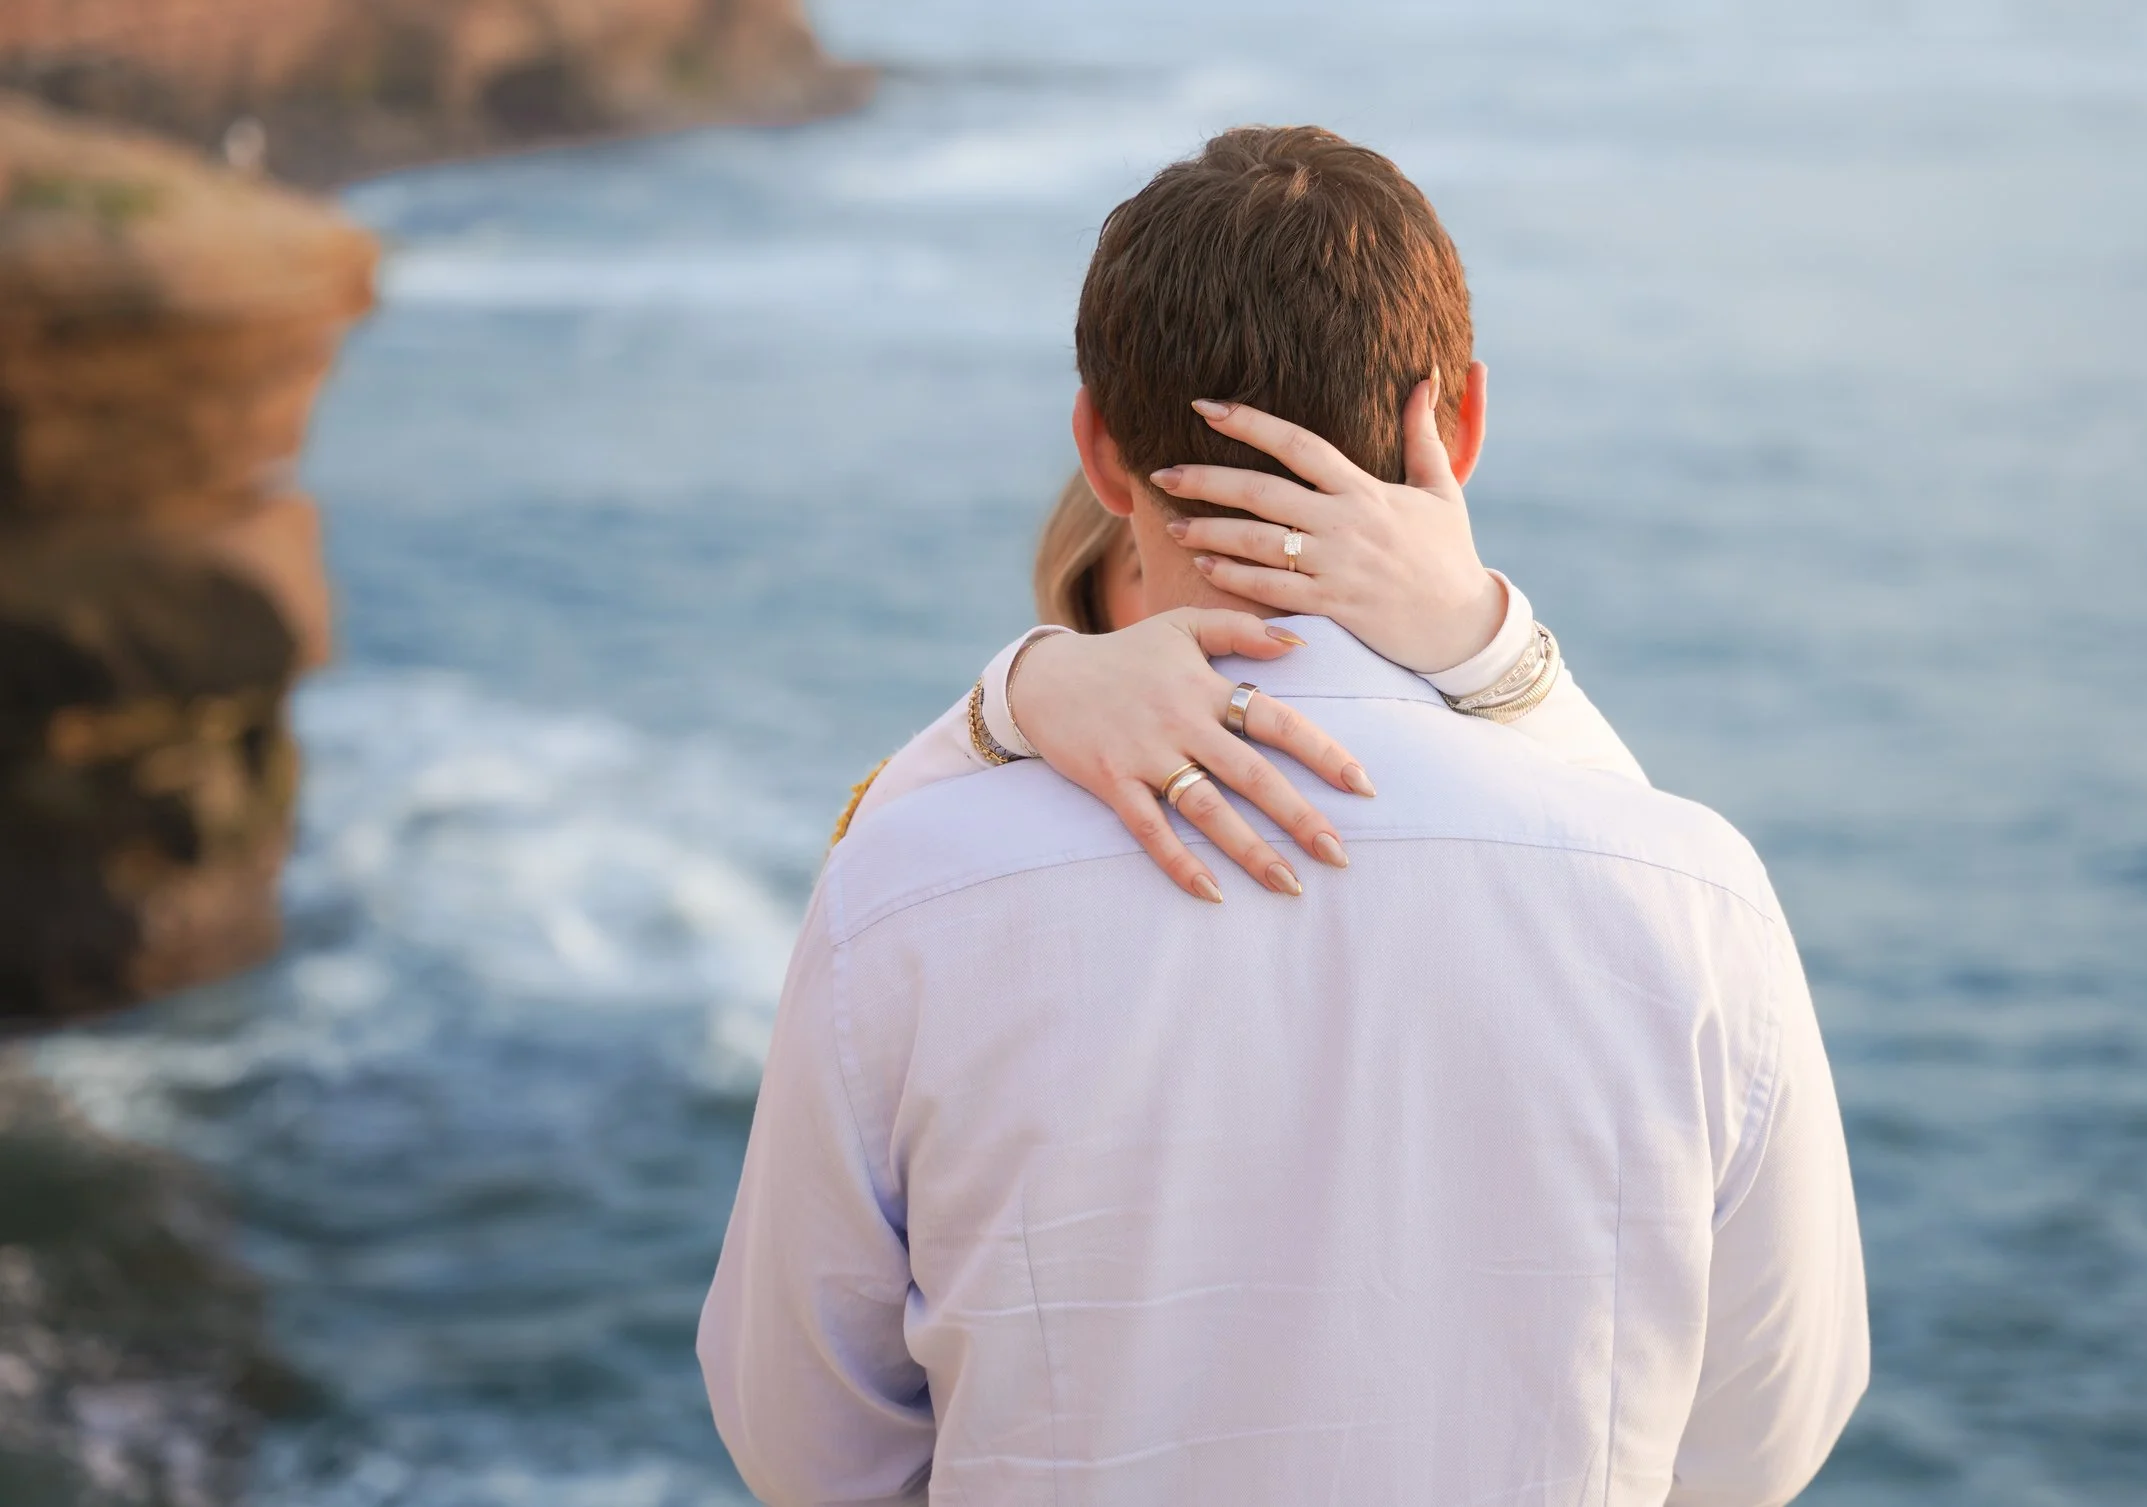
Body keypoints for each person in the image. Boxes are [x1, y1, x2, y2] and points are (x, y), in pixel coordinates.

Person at [701, 126, 1866, 1505]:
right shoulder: (1696, 895)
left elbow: (802, 1440)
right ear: (1466, 421)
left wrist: (1003, 705)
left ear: (1098, 445)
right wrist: (1499, 654)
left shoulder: (908, 890)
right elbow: (1765, 1434)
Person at [835, 403, 1649, 899]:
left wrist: (1478, 633)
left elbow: (1638, 848)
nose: (1263, 600)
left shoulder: (1482, 783)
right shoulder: (994, 814)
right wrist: (1026, 688)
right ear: (1086, 596)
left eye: (1324, 564)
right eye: (1208, 558)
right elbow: (864, 864)